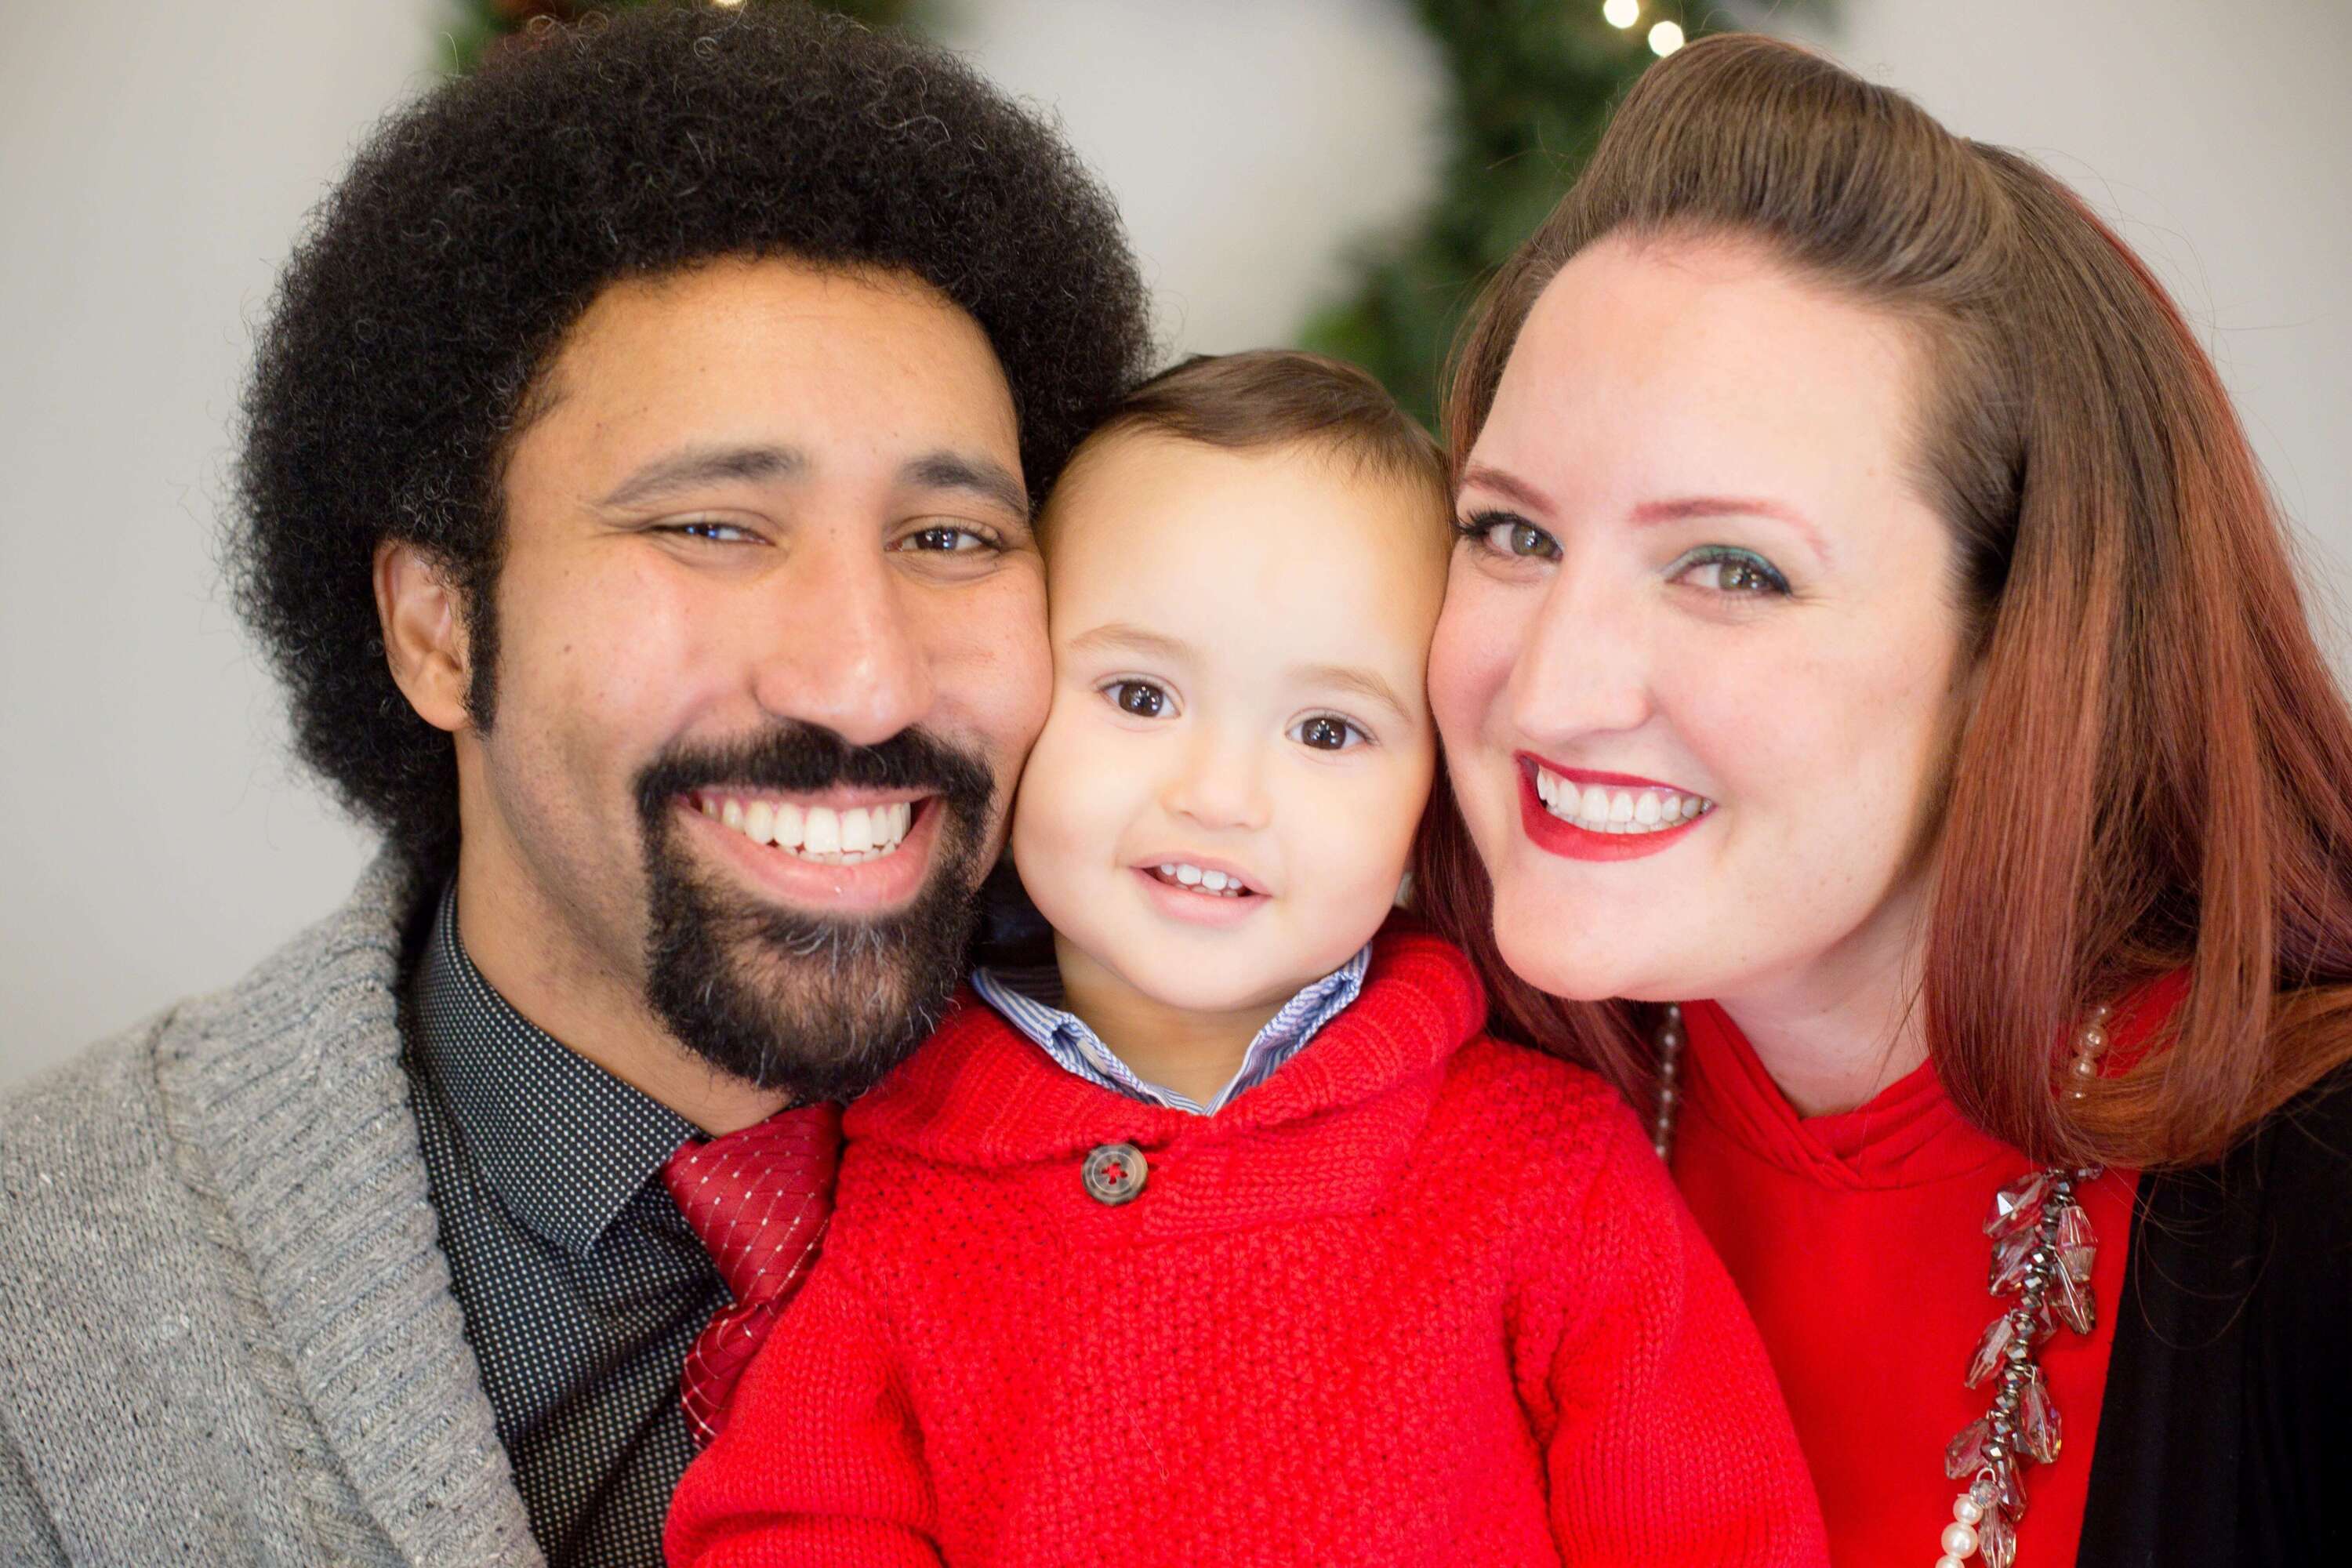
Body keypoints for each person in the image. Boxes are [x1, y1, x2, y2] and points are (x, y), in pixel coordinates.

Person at [0, 6, 1150, 1564]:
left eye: (950, 538)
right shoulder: (42, 1312)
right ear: (439, 627)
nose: (867, 680)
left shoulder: (1299, 1158)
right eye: (713, 528)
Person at [1414, 31, 2352, 1568]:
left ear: (2019, 645)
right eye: (1512, 534)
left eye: (1732, 568)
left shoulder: (2314, 1218)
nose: (1553, 690)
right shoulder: (1389, 1097)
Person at [663, 350, 1828, 1567]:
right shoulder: (906, 1177)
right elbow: (793, 1526)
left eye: (1327, 729)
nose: (1220, 794)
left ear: (1430, 798)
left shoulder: (1548, 1167)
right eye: (1140, 696)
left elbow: (1721, 1534)